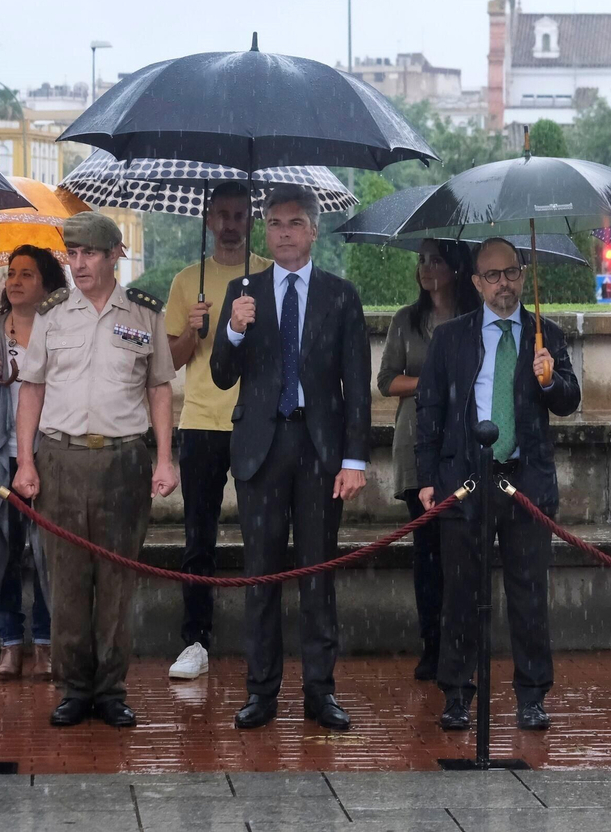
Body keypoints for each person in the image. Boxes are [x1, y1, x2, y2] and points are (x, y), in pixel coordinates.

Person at [211, 185, 371, 732]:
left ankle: (320, 692)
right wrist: (233, 328)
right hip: (261, 447)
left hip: (320, 449)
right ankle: (260, 692)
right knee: (260, 575)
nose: (283, 232)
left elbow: (357, 388)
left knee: (317, 575)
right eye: (275, 223)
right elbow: (220, 375)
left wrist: (355, 460)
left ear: (313, 230)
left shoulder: (341, 295)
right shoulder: (244, 291)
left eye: (294, 223)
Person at [14, 212, 178, 728]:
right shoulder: (53, 312)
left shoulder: (145, 312)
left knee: (117, 579)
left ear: (114, 256)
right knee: (65, 578)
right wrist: (24, 462)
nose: (78, 264)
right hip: (60, 457)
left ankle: (110, 688)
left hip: (123, 460)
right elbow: (32, 388)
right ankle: (74, 687)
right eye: (73, 254)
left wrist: (166, 459)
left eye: (89, 254)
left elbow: (159, 389)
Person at [416, 237, 580, 732]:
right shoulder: (452, 338)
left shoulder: (544, 334)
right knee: (461, 593)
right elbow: (430, 412)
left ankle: (532, 694)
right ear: (476, 283)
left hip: (525, 481)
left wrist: (550, 379)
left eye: (510, 272)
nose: (502, 283)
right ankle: (457, 693)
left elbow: (569, 400)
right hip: (465, 481)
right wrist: (427, 479)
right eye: (492, 275)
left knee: (529, 593)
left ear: (523, 274)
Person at [163, 182, 272, 682]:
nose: (230, 223)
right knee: (197, 539)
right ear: (208, 220)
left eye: (239, 214)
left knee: (262, 539)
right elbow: (170, 361)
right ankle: (195, 640)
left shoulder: (268, 276)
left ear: (251, 220)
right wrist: (193, 330)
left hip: (254, 420)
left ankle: (262, 641)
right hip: (201, 421)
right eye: (221, 215)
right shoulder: (189, 280)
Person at [377, 239, 480, 681]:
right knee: (427, 553)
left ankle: (462, 643)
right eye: (420, 261)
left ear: (456, 267)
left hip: (463, 444)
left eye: (434, 260)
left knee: (462, 551)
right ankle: (431, 645)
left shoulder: (473, 319)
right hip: (414, 443)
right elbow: (386, 381)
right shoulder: (407, 320)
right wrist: (432, 381)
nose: (425, 268)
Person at [0, 244, 65, 683]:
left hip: (49, 458)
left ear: (47, 284)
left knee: (49, 554)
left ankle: (46, 642)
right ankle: (9, 641)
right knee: (2, 553)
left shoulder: (60, 330)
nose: (16, 280)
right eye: (11, 272)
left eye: (28, 273)